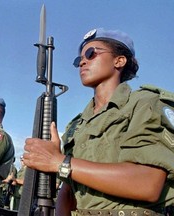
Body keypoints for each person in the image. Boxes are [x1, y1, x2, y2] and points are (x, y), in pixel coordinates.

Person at [23, 28, 174, 216]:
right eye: (79, 59)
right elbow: (68, 191)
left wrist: (60, 162)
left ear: (119, 60)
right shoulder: (77, 124)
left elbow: (148, 184)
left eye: (91, 53)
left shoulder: (145, 104)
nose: (83, 62)